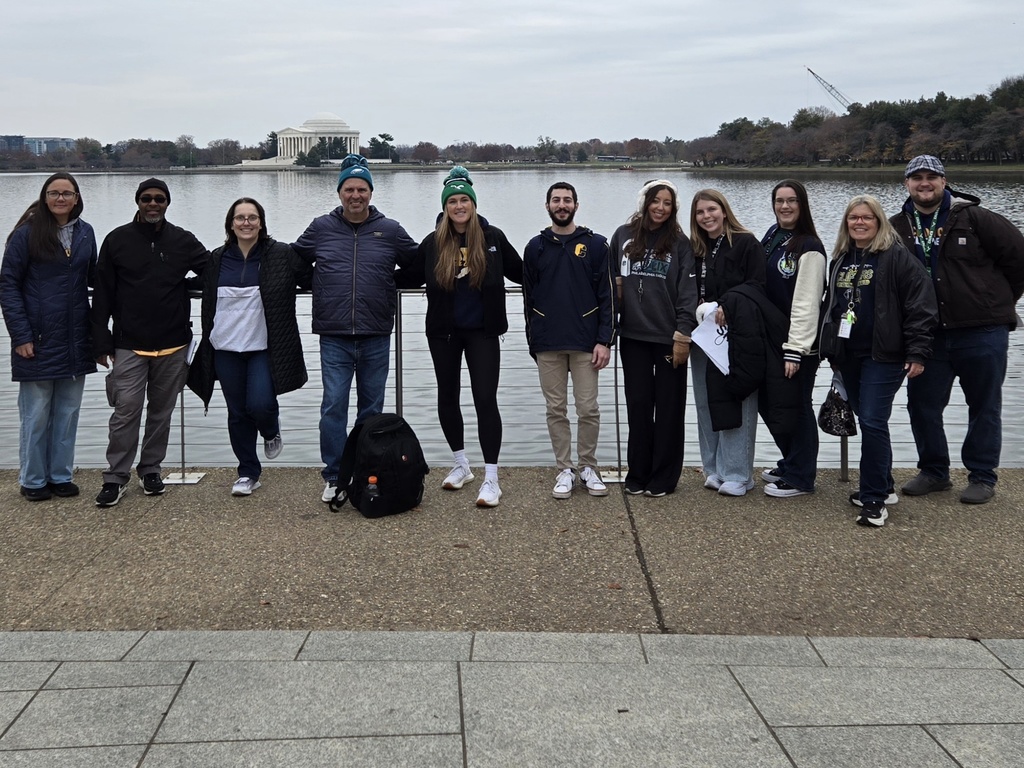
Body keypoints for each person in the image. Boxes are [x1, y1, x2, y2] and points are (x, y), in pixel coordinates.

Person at [889, 155, 1024, 504]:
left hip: (982, 330)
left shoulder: (975, 218)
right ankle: (934, 471)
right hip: (927, 335)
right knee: (922, 406)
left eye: (931, 177)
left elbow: (1018, 258)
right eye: (916, 177)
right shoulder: (895, 227)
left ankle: (982, 475)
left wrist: (998, 300)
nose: (924, 183)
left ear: (944, 181)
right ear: (906, 184)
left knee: (984, 404)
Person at [292, 154, 418, 503]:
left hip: (376, 332)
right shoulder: (321, 227)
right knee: (333, 406)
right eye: (349, 189)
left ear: (371, 192)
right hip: (334, 335)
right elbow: (294, 259)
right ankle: (334, 474)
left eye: (362, 189)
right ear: (340, 192)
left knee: (371, 411)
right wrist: (314, 282)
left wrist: (388, 282)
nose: (355, 195)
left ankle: (365, 471)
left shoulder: (390, 230)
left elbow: (418, 262)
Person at [404, 167, 523, 508]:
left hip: (483, 332)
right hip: (443, 333)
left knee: (485, 399)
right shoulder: (433, 242)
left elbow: (523, 272)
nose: (459, 206)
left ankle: (492, 478)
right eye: (452, 201)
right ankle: (461, 464)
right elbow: (407, 276)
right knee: (447, 397)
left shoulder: (493, 238)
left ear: (473, 204)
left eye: (464, 200)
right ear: (445, 207)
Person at [820, 195, 937, 527]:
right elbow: (833, 306)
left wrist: (917, 352)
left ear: (879, 221)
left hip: (884, 355)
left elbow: (921, 307)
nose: (859, 222)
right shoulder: (841, 259)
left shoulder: (897, 257)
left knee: (871, 421)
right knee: (871, 421)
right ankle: (884, 485)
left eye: (867, 218)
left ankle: (873, 500)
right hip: (848, 355)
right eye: (853, 218)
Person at [91, 178, 208, 507]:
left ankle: (151, 469)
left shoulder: (182, 240)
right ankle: (115, 476)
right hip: (128, 343)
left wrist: (184, 287)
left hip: (173, 343)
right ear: (138, 202)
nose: (153, 204)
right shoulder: (117, 240)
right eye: (147, 199)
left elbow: (212, 270)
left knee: (161, 413)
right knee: (126, 410)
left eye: (159, 199)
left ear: (167, 203)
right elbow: (102, 293)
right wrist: (101, 341)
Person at [188, 198, 310, 496]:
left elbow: (311, 278)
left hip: (264, 346)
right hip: (225, 347)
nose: (246, 223)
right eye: (240, 218)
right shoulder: (217, 258)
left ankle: (271, 430)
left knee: (260, 403)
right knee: (237, 412)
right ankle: (247, 472)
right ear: (231, 223)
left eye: (252, 217)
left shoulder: (281, 254)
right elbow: (194, 284)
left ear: (261, 222)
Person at [1, 173, 96, 501]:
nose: (60, 199)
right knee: (36, 413)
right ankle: (33, 479)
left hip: (75, 338)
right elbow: (8, 286)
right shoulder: (26, 235)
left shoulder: (86, 233)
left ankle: (60, 475)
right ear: (44, 197)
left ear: (76, 197)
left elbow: (95, 279)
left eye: (67, 193)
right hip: (37, 338)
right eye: (54, 193)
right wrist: (20, 335)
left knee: (68, 413)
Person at [523, 182, 616, 499]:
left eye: (567, 200)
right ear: (547, 205)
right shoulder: (535, 247)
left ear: (576, 204)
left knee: (588, 408)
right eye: (556, 200)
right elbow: (528, 298)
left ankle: (588, 466)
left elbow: (608, 297)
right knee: (556, 409)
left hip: (586, 343)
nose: (561, 205)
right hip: (548, 343)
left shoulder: (597, 245)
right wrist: (533, 340)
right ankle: (565, 469)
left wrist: (605, 340)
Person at [610, 179, 697, 497]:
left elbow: (689, 292)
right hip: (632, 335)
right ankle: (639, 471)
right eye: (655, 201)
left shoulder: (680, 243)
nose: (661, 207)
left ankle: (664, 476)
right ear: (644, 202)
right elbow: (610, 283)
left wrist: (683, 334)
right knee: (639, 406)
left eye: (668, 203)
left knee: (670, 408)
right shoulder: (622, 236)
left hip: (668, 336)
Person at [689, 189, 766, 497]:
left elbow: (758, 285)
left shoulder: (746, 243)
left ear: (724, 210)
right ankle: (713, 468)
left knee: (739, 399)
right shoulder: (695, 248)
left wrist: (727, 304)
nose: (706, 216)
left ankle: (738, 472)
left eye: (712, 209)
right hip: (702, 338)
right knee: (706, 401)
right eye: (700, 212)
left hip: (737, 336)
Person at [759, 180, 827, 497]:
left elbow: (806, 302)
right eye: (779, 201)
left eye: (792, 201)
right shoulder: (773, 237)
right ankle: (790, 462)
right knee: (773, 405)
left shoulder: (809, 247)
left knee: (797, 406)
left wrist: (795, 350)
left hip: (797, 345)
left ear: (802, 205)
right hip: (771, 340)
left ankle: (802, 476)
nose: (785, 207)